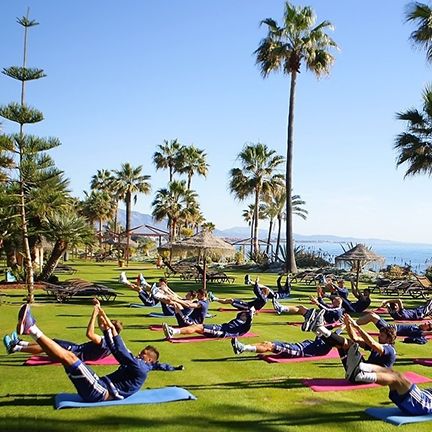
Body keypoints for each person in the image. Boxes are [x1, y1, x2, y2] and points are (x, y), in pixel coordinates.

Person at [14, 302, 173, 402]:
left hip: (100, 391)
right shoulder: (142, 366)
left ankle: (31, 329)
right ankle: (27, 334)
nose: (139, 354)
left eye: (143, 353)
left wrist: (112, 332)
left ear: (149, 360)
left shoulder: (141, 368)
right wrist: (106, 331)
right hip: (98, 384)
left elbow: (121, 352)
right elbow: (115, 349)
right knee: (66, 357)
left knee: (69, 356)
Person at [3, 299, 123, 360]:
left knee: (49, 345)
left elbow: (90, 334)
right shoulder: (112, 342)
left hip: (76, 353)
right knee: (51, 341)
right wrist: (99, 310)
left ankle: (15, 347)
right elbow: (104, 325)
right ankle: (20, 343)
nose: (104, 325)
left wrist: (94, 314)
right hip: (78, 350)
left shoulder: (105, 342)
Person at [308, 311, 397, 384]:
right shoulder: (381, 346)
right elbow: (355, 338)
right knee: (340, 345)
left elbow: (372, 343)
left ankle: (320, 328)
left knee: (349, 344)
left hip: (363, 376)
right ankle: (317, 330)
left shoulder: (390, 350)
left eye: (382, 336)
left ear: (389, 339)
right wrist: (348, 325)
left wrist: (357, 327)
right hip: (358, 373)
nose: (379, 337)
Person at [162, 308, 254, 340]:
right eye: (242, 314)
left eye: (244, 315)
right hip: (220, 327)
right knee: (197, 327)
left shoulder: (244, 327)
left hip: (222, 332)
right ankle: (173, 331)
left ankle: (173, 331)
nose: (243, 314)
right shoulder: (238, 319)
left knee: (197, 327)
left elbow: (249, 323)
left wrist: (250, 313)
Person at [230, 333, 336, 357]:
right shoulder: (322, 341)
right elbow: (321, 334)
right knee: (267, 342)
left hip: (297, 351)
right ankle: (243, 347)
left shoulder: (325, 348)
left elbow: (323, 334)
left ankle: (242, 348)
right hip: (294, 345)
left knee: (270, 347)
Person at [356, 311, 432, 344]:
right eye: (427, 322)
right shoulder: (417, 327)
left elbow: (428, 333)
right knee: (372, 315)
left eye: (428, 325)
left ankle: (351, 323)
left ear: (427, 329)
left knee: (372, 316)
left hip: (390, 330)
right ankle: (352, 323)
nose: (426, 323)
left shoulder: (419, 332)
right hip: (389, 325)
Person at [272, 295, 344, 328]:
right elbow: (325, 305)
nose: (332, 302)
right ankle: (281, 308)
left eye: (334, 301)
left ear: (338, 303)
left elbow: (326, 309)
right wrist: (319, 296)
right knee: (301, 309)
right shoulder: (335, 308)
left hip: (320, 321)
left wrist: (317, 303)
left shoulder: (337, 310)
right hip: (319, 318)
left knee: (301, 309)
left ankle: (281, 308)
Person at [208, 279, 275, 312]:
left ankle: (214, 299)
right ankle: (214, 298)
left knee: (231, 301)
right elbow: (258, 292)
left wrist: (256, 282)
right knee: (231, 299)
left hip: (247, 307)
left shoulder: (264, 298)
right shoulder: (263, 298)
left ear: (264, 292)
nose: (261, 290)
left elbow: (257, 292)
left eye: (262, 290)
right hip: (246, 304)